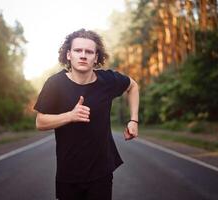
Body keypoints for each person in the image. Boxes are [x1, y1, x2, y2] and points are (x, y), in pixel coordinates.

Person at [33, 28, 139, 200]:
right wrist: (70, 116)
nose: (83, 55)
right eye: (78, 50)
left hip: (101, 173)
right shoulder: (55, 84)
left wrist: (134, 120)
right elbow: (40, 122)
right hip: (68, 174)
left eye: (89, 52)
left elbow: (133, 86)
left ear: (96, 57)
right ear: (69, 55)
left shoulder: (108, 81)